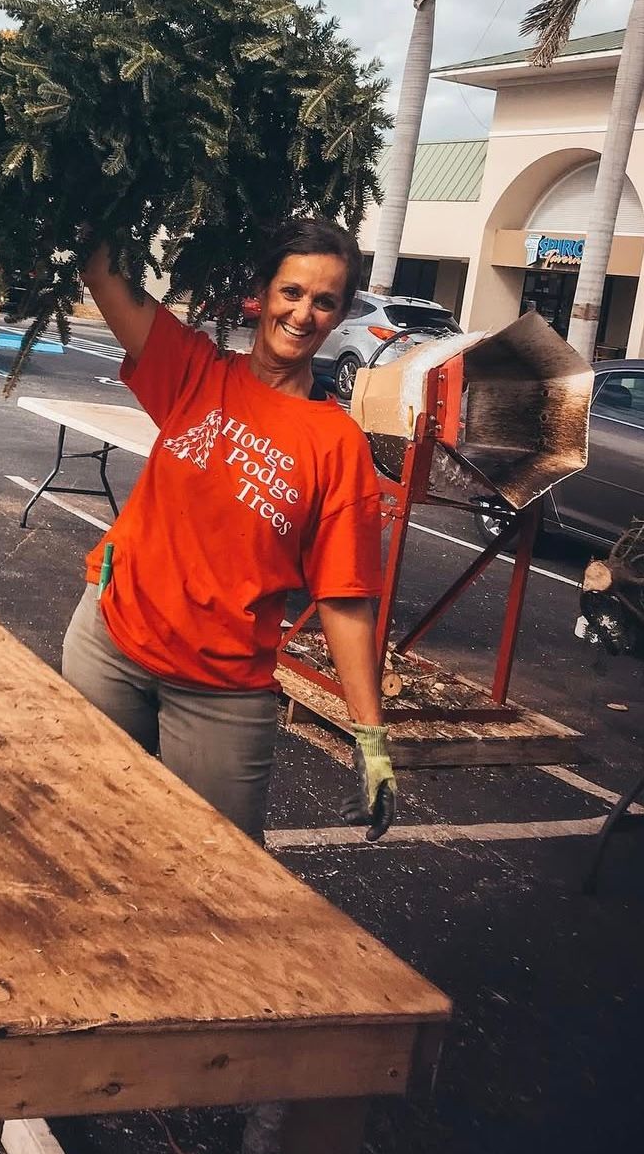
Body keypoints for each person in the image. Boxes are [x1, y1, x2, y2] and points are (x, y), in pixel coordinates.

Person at [63, 217, 396, 846]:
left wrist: (370, 736)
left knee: (219, 868)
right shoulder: (195, 371)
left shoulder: (337, 444)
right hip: (110, 645)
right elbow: (101, 271)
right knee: (85, 835)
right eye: (291, 292)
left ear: (341, 315)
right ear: (264, 293)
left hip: (221, 692)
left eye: (324, 302)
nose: (303, 314)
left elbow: (346, 596)